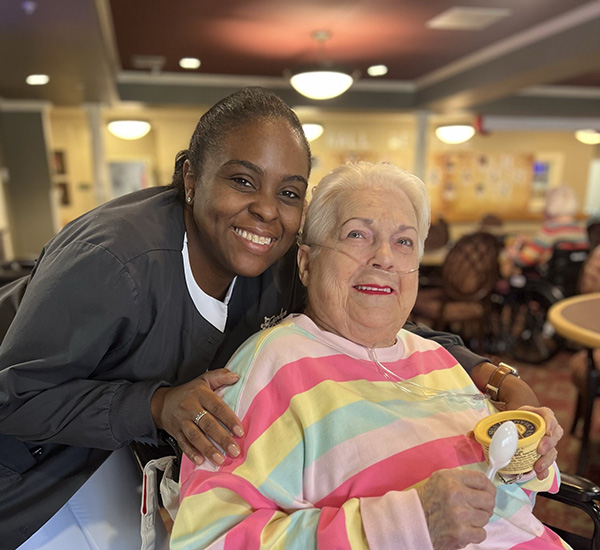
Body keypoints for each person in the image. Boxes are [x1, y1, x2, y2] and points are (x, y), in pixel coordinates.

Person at [0, 88, 559, 548]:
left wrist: (494, 376)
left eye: (289, 192)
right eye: (242, 180)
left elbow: (379, 315)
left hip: (132, 447)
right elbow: (15, 395)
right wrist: (156, 404)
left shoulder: (272, 257)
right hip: (33, 458)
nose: (267, 209)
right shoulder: (113, 262)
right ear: (191, 179)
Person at [172, 162, 566, 550]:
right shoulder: (273, 365)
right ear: (307, 263)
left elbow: (509, 499)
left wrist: (526, 459)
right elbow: (208, 538)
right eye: (357, 235)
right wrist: (405, 523)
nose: (385, 258)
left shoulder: (437, 358)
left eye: (404, 241)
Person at [506, 185, 588, 269]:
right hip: (571, 278)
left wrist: (513, 254)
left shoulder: (551, 229)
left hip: (548, 278)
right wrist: (531, 243)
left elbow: (524, 260)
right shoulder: (580, 230)